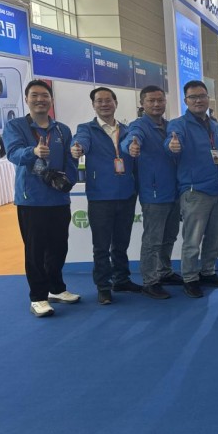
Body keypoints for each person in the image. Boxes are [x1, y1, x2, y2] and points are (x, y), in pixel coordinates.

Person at [3, 80, 80, 317]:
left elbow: (70, 160)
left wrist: (69, 180)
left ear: (51, 100)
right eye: (34, 95)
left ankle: (56, 288)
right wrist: (33, 152)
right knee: (35, 251)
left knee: (59, 247)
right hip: (31, 200)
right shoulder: (15, 126)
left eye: (44, 95)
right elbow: (13, 154)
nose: (40, 100)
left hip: (59, 199)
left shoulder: (62, 130)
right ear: (27, 99)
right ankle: (38, 297)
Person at [71, 87, 140, 306]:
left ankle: (122, 279)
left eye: (108, 100)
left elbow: (130, 147)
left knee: (121, 243)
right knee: (101, 246)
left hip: (126, 194)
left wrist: (133, 148)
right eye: (99, 101)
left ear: (115, 103)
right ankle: (103, 286)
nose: (104, 104)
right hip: (100, 196)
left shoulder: (127, 130)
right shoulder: (86, 129)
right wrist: (77, 148)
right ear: (93, 105)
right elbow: (80, 141)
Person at [165, 80, 218, 299]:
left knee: (216, 236)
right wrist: (172, 146)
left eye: (202, 96)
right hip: (195, 191)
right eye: (193, 97)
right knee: (193, 239)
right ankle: (190, 278)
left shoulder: (215, 126)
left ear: (208, 98)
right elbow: (172, 143)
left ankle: (208, 271)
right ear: (186, 100)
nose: (198, 100)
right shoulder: (179, 125)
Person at [121, 85, 182, 300]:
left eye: (160, 100)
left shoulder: (170, 126)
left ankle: (164, 271)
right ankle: (150, 281)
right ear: (142, 104)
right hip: (154, 193)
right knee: (153, 240)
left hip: (175, 191)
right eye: (151, 101)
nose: (156, 104)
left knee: (169, 236)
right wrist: (131, 146)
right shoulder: (139, 126)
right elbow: (130, 139)